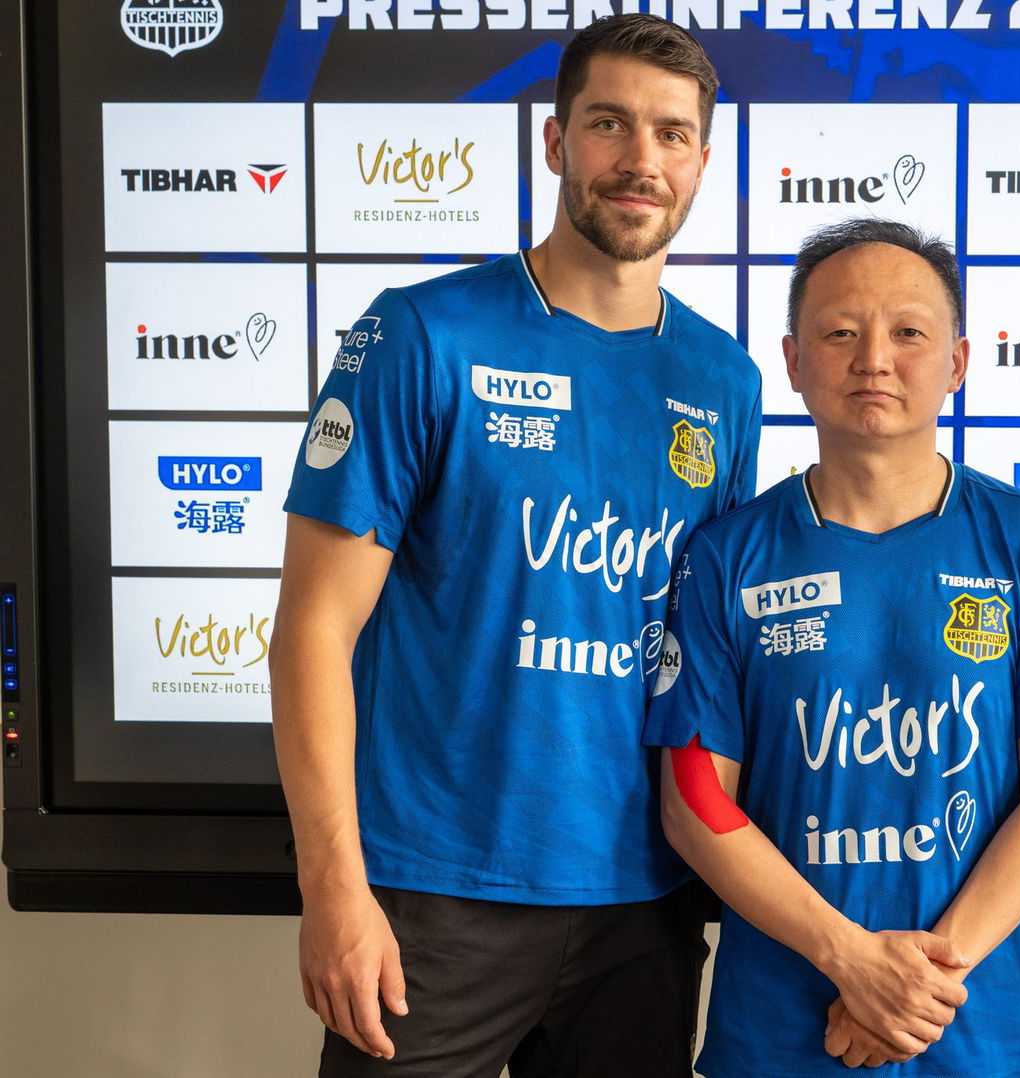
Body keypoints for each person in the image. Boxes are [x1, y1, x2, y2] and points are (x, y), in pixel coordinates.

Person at [270, 14, 761, 1076]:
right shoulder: (420, 333)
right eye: (609, 124)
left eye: (672, 135)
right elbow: (311, 628)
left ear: (703, 162)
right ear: (554, 141)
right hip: (435, 900)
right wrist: (332, 886)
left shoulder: (727, 382)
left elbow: (708, 666)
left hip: (647, 899)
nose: (641, 160)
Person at [644, 218, 1020, 1077]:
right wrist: (852, 963)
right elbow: (694, 804)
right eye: (840, 332)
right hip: (784, 1036)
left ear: (959, 362)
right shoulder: (725, 555)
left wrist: (914, 991)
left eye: (909, 332)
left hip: (985, 1032)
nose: (874, 358)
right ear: (793, 362)